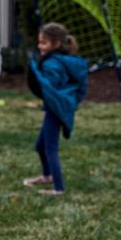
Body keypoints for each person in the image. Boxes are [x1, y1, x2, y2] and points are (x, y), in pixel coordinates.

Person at [22, 22, 89, 196]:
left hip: (56, 110)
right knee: (40, 146)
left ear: (57, 44)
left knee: (51, 148)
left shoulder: (53, 64)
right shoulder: (58, 60)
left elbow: (52, 86)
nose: (39, 46)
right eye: (39, 42)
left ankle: (58, 188)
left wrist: (38, 74)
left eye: (43, 43)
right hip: (55, 108)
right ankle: (47, 176)